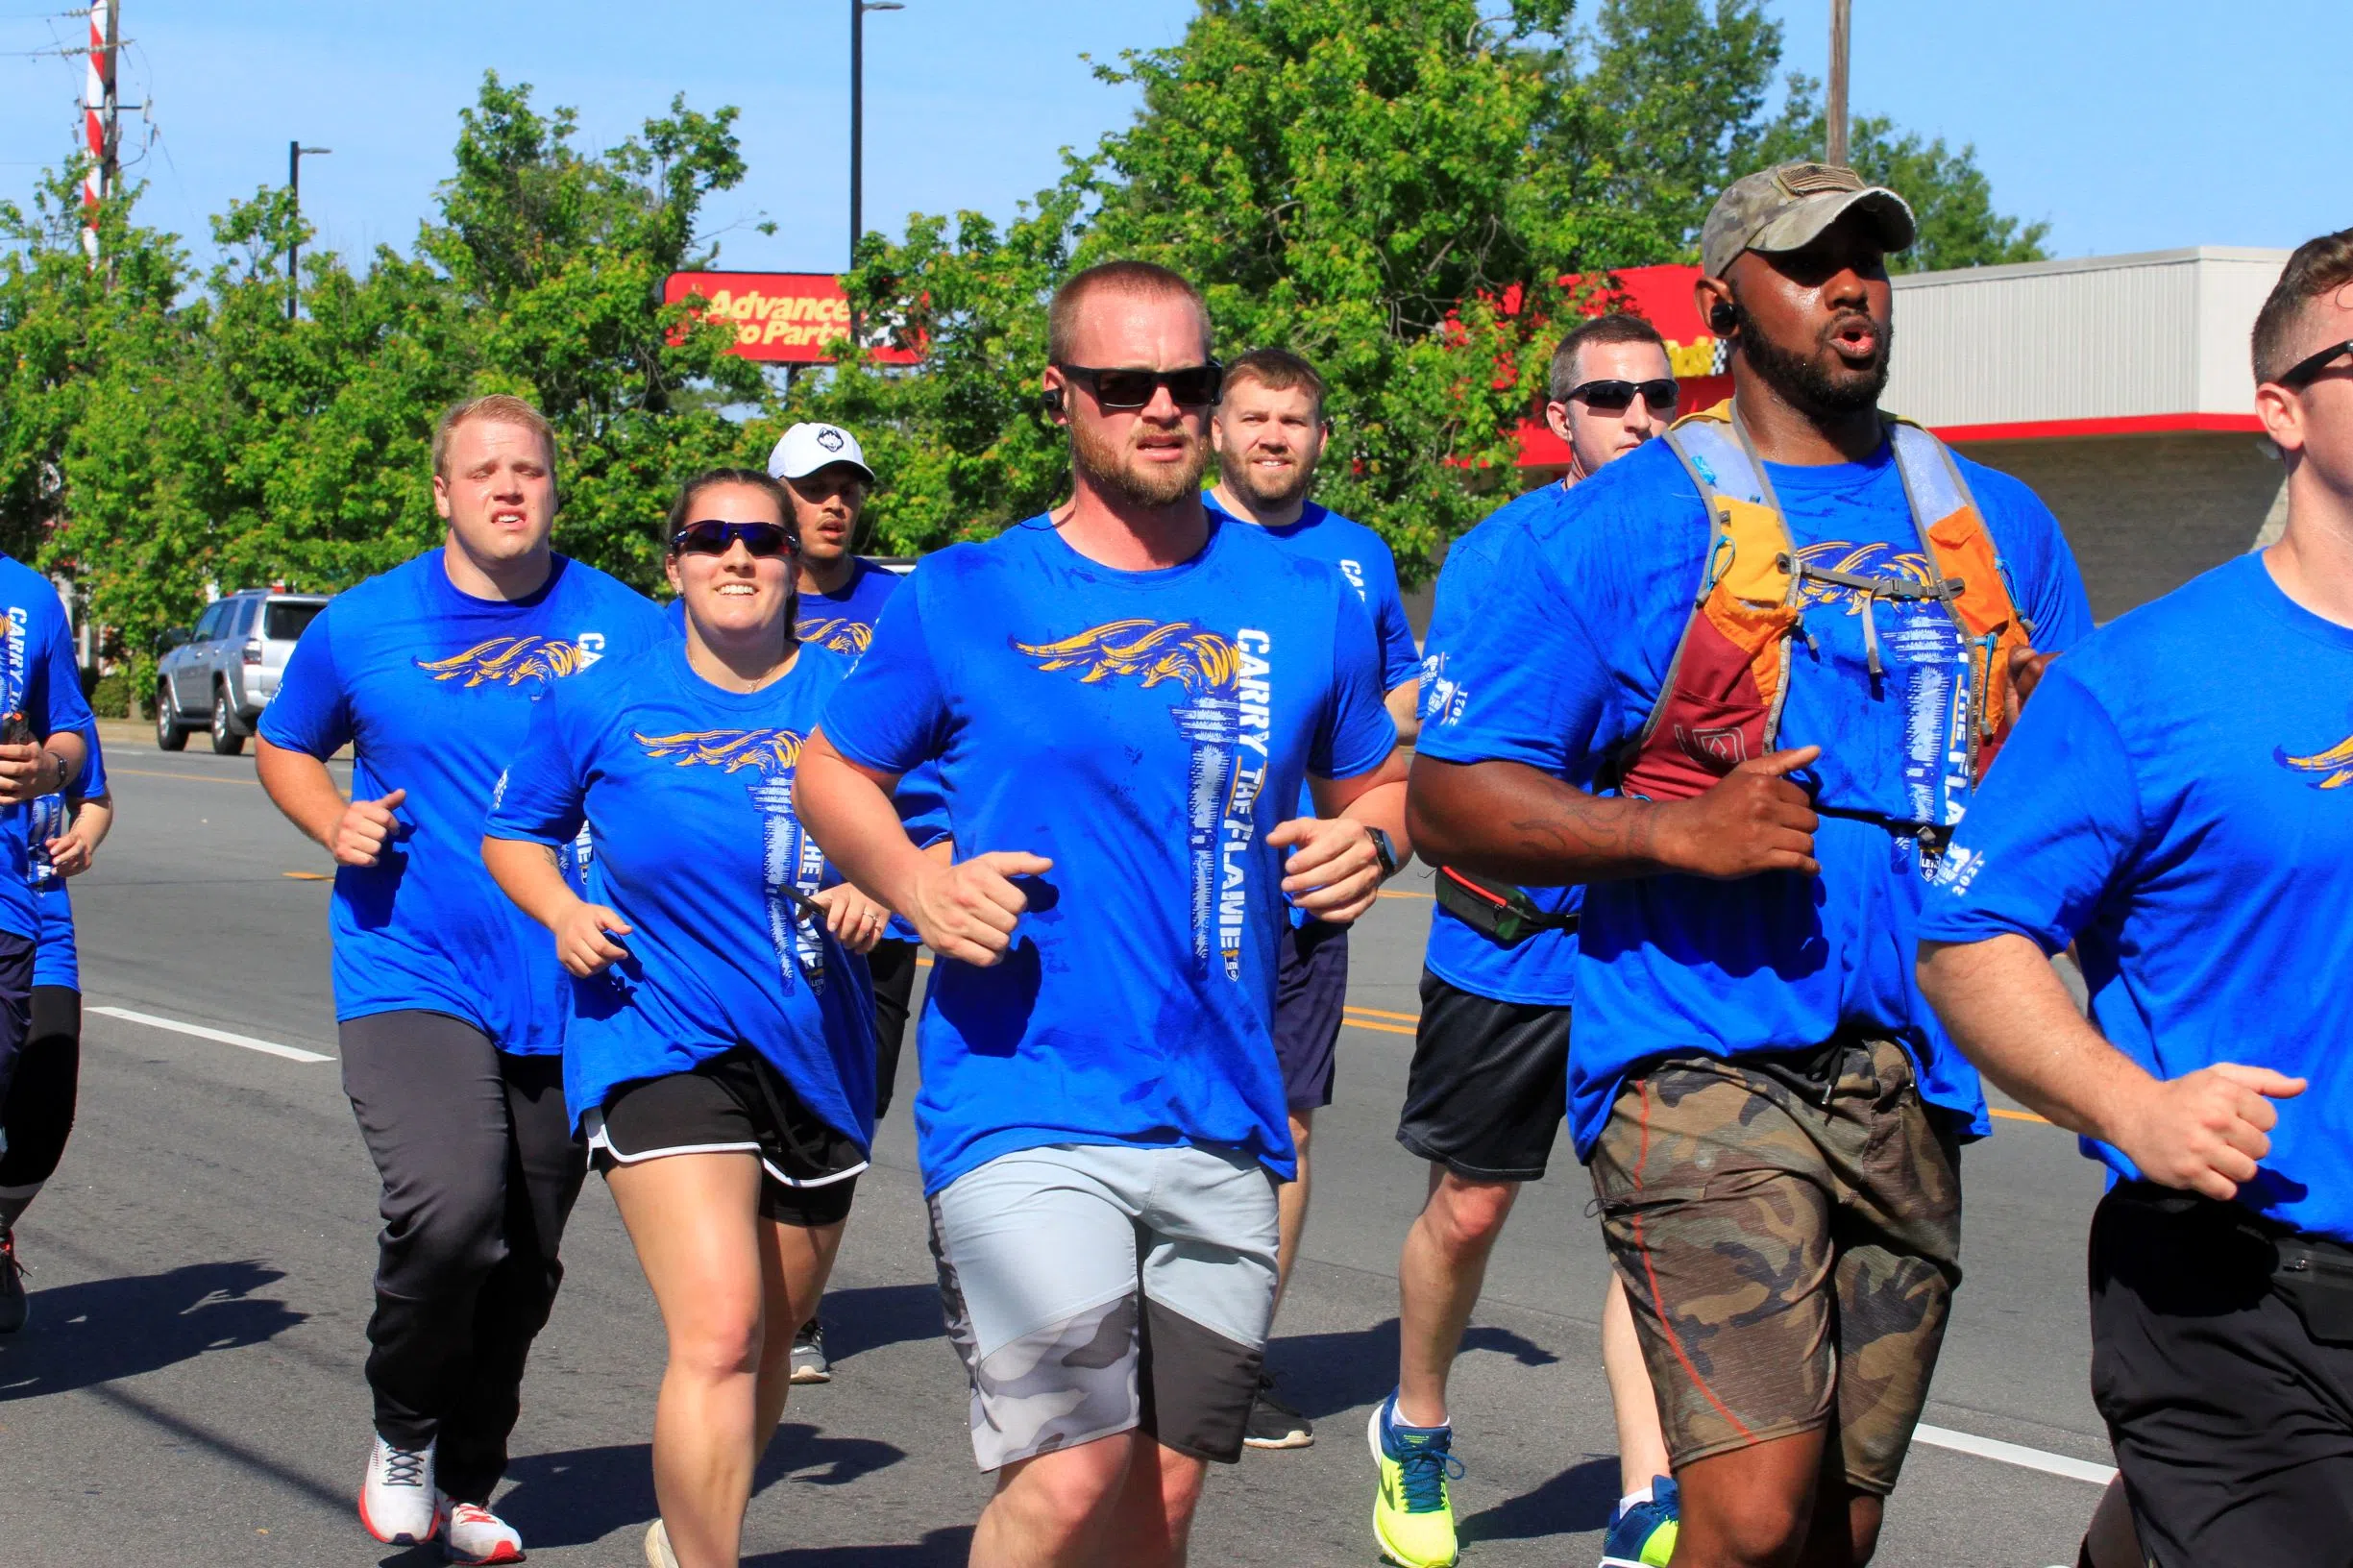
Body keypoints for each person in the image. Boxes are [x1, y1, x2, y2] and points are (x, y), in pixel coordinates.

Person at [1405, 161, 2094, 1568]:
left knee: (1836, 1526)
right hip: (1697, 1059)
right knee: (1749, 1504)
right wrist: (1667, 832)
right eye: (1808, 260)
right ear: (1723, 305)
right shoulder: (1617, 529)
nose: (1852, 284)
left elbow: (2084, 802)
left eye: (1870, 259)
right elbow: (1449, 799)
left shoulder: (1996, 525)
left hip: (1913, 1071)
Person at [794, 259, 1411, 1568]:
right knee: (1073, 1474)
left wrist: (1375, 838)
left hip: (1225, 1116)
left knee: (1161, 1511)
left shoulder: (1304, 600)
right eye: (1125, 385)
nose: (1163, 409)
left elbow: (1385, 783)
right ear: (1060, 396)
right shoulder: (968, 593)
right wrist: (910, 883)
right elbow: (831, 773)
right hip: (1027, 1105)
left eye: (1186, 382)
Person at [1916, 226, 2353, 1565]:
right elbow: (1964, 928)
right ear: (2278, 410)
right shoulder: (2150, 680)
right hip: (2241, 1283)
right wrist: (2128, 1103)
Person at [256, 393, 668, 1564]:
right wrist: (331, 818)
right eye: (481, 471)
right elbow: (284, 740)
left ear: (553, 488)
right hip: (410, 961)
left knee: (527, 1259)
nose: (506, 489)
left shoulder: (629, 627)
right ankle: (402, 1436)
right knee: (449, 1212)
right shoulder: (365, 622)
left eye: (527, 471)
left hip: (574, 979)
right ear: (442, 491)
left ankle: (465, 1479)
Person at [484, 468, 889, 1568]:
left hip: (817, 1050)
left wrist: (886, 878)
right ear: (673, 565)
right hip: (653, 1032)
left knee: (761, 1349)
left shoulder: (855, 699)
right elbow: (516, 831)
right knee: (716, 1329)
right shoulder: (607, 694)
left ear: (795, 564)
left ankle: (690, 1536)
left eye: (762, 539)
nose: (738, 557)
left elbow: (940, 826)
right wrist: (563, 909)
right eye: (709, 538)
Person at [1375, 312, 1682, 1568]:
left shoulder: (1717, 547)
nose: (1642, 417)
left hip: (1657, 942)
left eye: (1663, 395)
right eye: (1611, 397)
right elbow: (1460, 760)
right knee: (1468, 1208)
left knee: (1661, 1223)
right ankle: (1416, 1423)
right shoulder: (1505, 553)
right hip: (1513, 941)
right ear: (1560, 417)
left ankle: (1647, 1496)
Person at [1203, 346, 1423, 1450]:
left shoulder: (1354, 559)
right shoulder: (1172, 545)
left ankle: (1233, 1361)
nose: (1274, 436)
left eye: (1294, 420)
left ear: (1320, 439)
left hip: (1295, 898)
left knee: (1282, 1128)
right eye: (1254, 417)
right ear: (1216, 431)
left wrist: (1367, 831)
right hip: (1178, 898)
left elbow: (1390, 719)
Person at [761, 419, 932, 1386]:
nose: (834, 504)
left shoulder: (900, 606)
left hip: (873, 899)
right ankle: (758, 1303)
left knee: (848, 1108)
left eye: (848, 488)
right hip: (758, 895)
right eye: (814, 487)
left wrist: (884, 872)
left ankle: (802, 1307)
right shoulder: (745, 592)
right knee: (751, 1096)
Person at [0, 755, 111, 1333]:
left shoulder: (54, 709)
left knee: (45, 1110)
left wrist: (83, 840)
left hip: (43, 923)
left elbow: (95, 800)